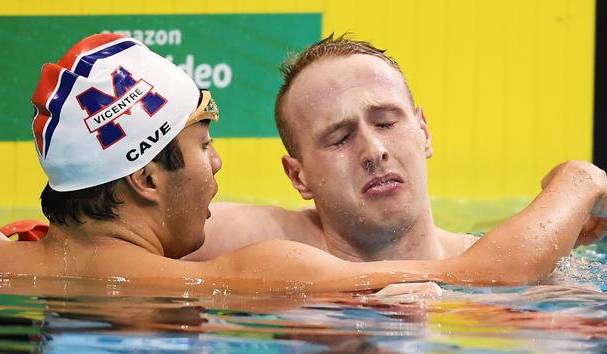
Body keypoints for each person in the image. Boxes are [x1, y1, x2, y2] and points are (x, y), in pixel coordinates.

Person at [0, 34, 602, 293]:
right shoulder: (251, 272)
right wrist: (579, 179)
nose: (217, 165)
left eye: (385, 121)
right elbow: (496, 272)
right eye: (203, 143)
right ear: (146, 176)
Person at [187, 34, 607, 266]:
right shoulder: (262, 243)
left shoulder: (537, 270)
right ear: (298, 177)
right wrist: (577, 179)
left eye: (387, 122)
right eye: (339, 138)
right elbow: (123, 245)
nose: (374, 150)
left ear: (424, 132)